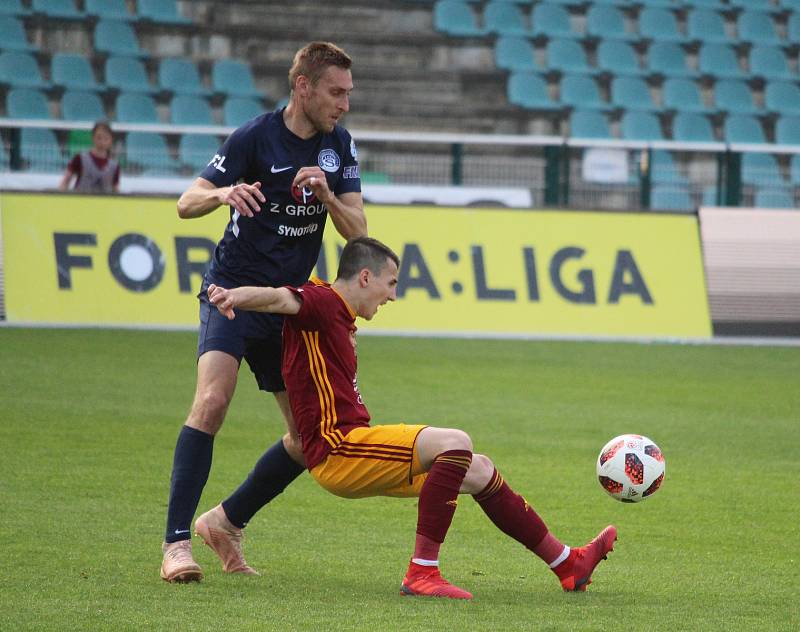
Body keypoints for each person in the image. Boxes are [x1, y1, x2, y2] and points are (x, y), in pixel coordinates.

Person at [205, 236, 618, 599]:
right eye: (391, 284)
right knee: (455, 441)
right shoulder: (322, 302)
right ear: (365, 278)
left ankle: (567, 563)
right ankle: (422, 572)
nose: (393, 296)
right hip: (339, 449)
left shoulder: (336, 310)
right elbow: (282, 298)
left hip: (353, 444)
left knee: (479, 470)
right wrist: (233, 296)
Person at [160, 41, 367, 583]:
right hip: (230, 294)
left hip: (286, 307)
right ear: (302, 86)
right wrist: (225, 193)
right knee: (211, 401)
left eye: (348, 94)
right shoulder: (255, 136)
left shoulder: (338, 147)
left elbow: (359, 234)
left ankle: (226, 522)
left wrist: (326, 195)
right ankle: (177, 544)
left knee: (307, 440)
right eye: (335, 92)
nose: (344, 104)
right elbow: (186, 204)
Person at [58, 121, 120, 193]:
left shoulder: (114, 165)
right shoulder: (80, 158)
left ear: (111, 141)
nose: (102, 142)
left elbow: (115, 189)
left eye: (106, 138)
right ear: (93, 138)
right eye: (99, 138)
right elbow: (66, 181)